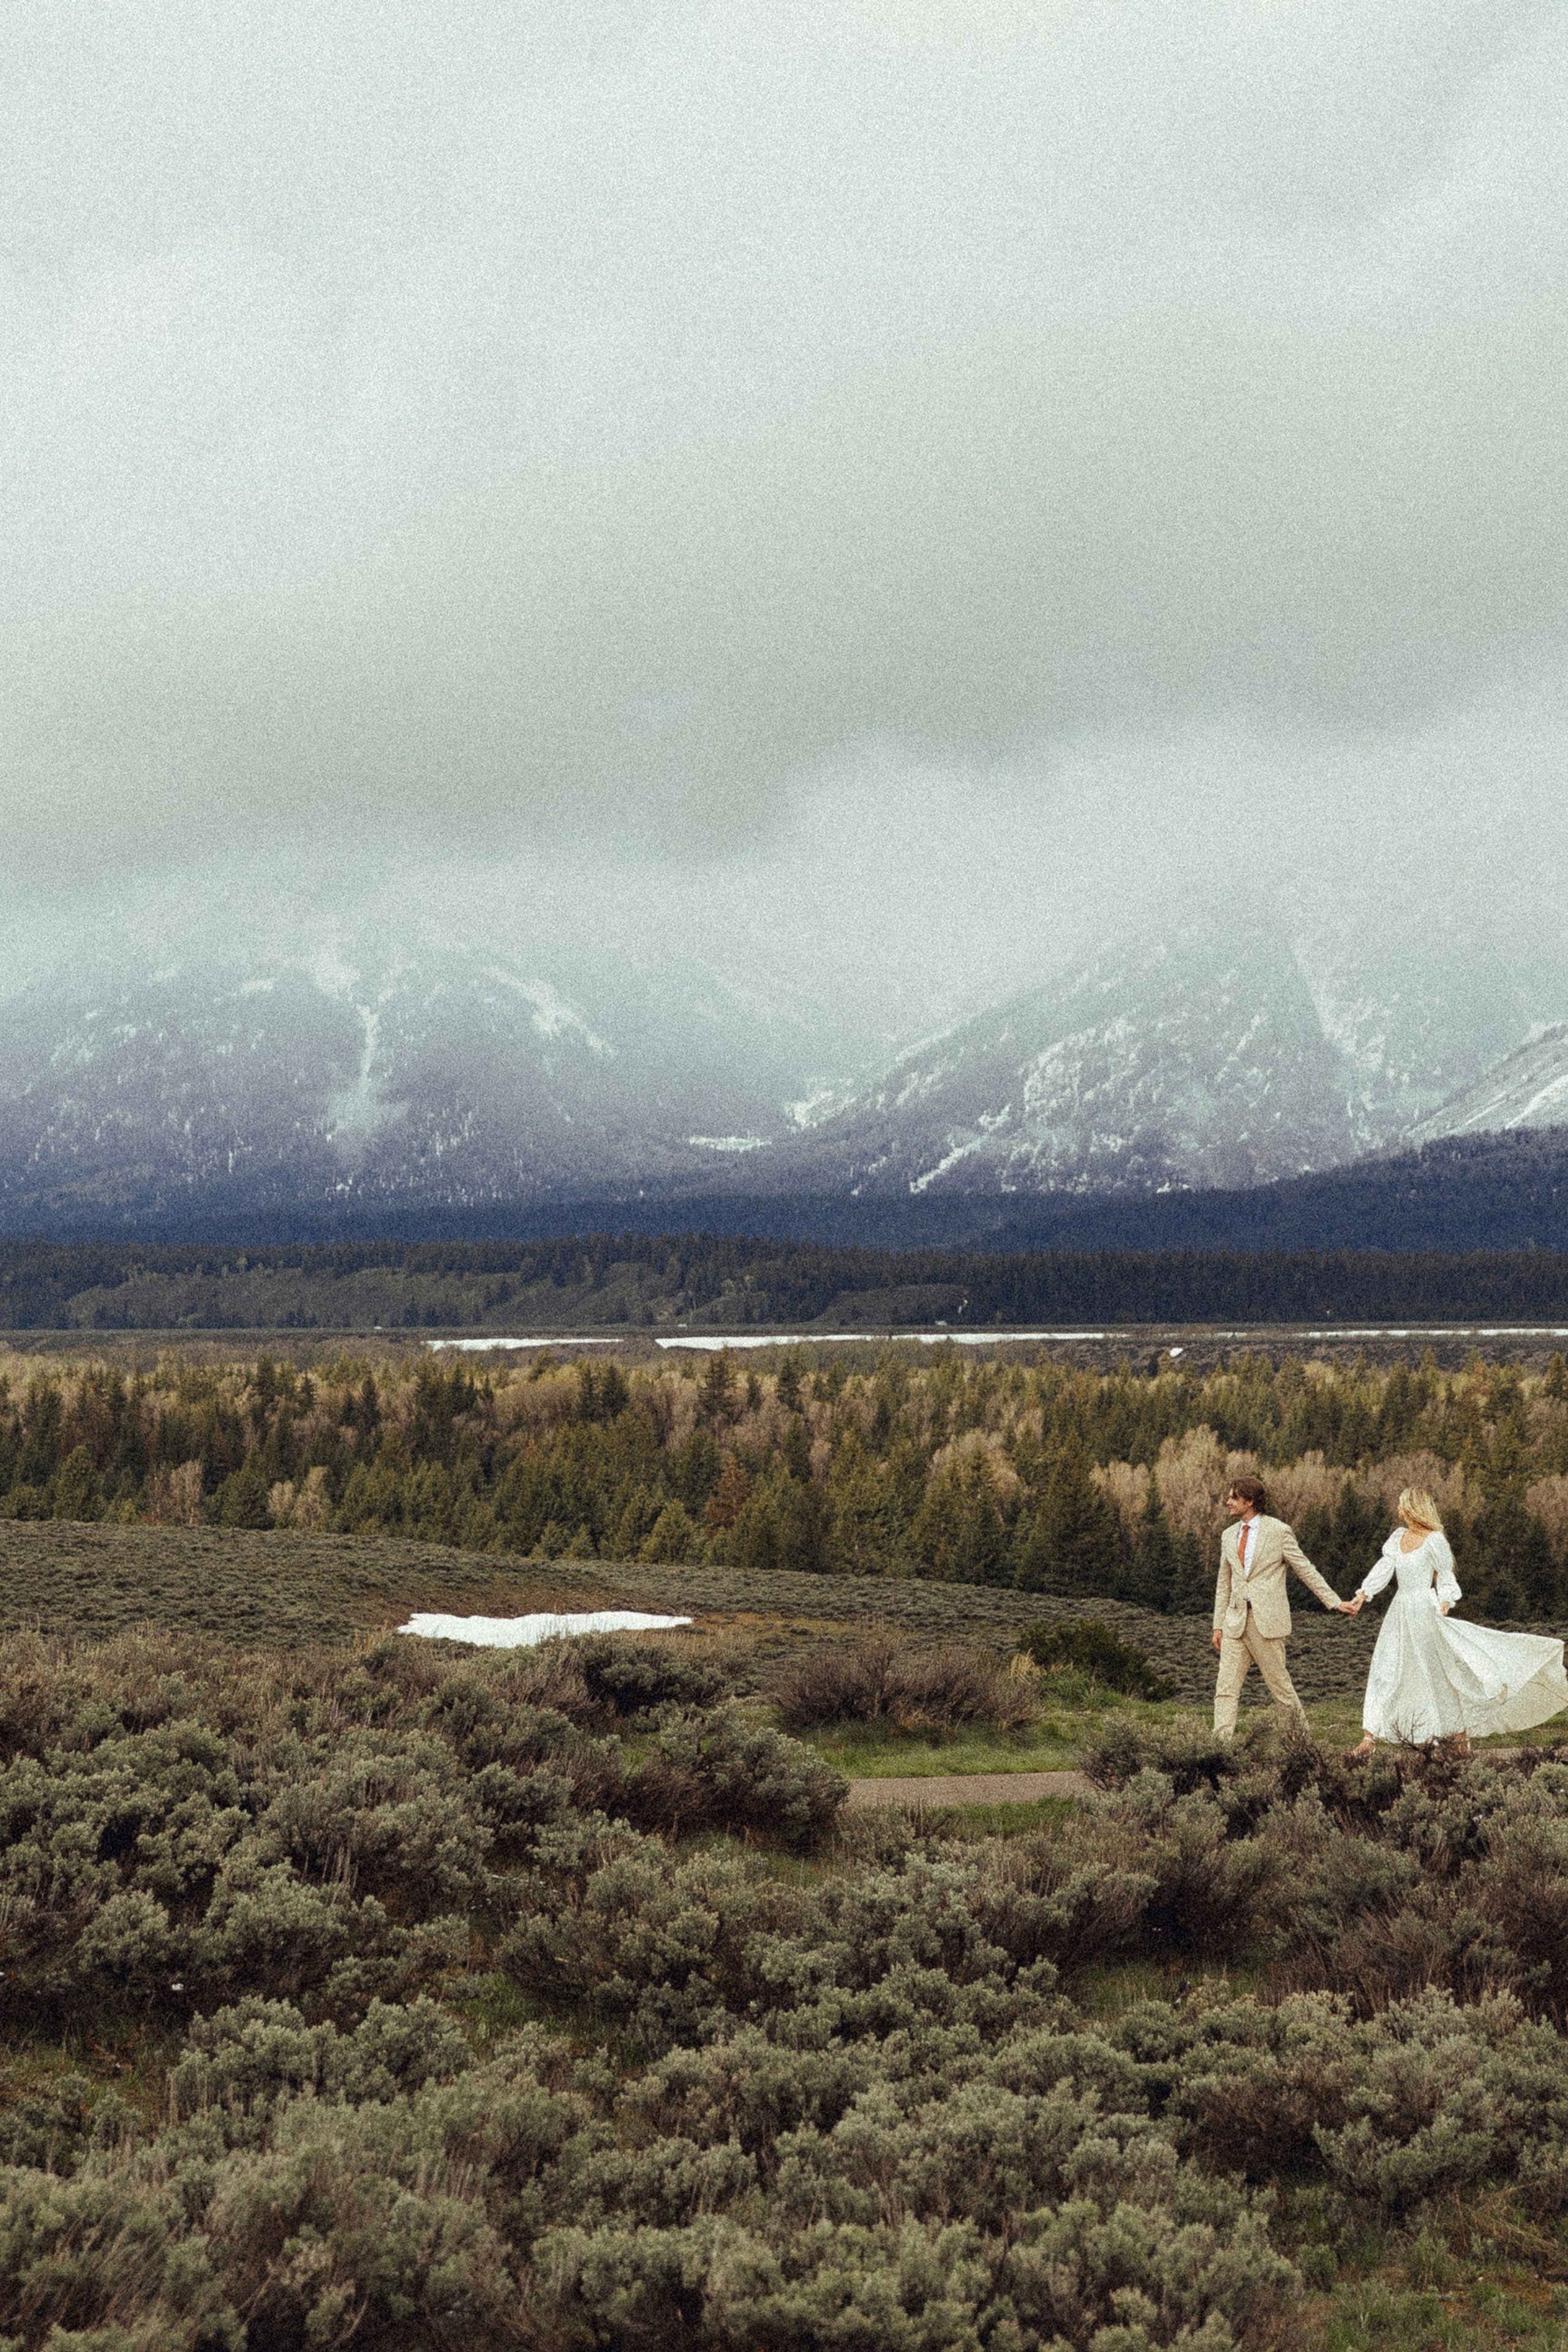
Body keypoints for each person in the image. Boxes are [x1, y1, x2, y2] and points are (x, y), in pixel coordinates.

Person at [1344, 1486, 1568, 1756]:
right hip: (1400, 1612)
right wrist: (1363, 1595)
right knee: (1387, 1668)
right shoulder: (1397, 1538)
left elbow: (1446, 1576)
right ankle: (1370, 1737)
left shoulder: (1435, 1540)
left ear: (1414, 1508)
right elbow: (1384, 1568)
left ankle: (1459, 1740)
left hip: (1426, 1612)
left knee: (1438, 1673)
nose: (1398, 1510)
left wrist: (1445, 1601)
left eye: (1402, 1505)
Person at [1213, 1474, 1355, 1735]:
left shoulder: (1279, 1531)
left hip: (1267, 1623)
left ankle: (1303, 1746)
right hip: (1234, 1623)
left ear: (1250, 1501)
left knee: (1281, 1690)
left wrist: (1334, 1602)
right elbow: (1224, 1582)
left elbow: (1305, 1569)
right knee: (1225, 1691)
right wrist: (1218, 1626)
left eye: (1234, 1497)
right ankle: (1220, 1749)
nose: (1228, 1502)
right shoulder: (1228, 1535)